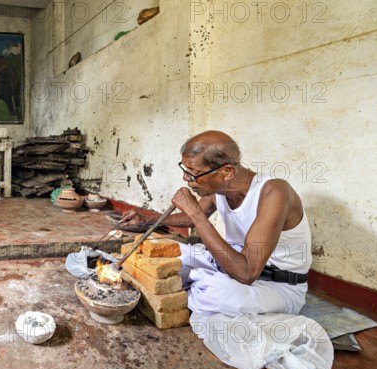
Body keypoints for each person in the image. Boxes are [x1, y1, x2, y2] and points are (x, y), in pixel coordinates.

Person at [121, 131, 312, 317]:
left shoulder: (274, 192)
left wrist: (195, 211)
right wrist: (146, 221)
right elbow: (189, 218)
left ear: (227, 172)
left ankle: (196, 286)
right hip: (227, 265)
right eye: (185, 169)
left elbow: (246, 273)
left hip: (276, 285)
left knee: (215, 294)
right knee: (168, 253)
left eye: (194, 173)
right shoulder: (218, 187)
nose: (186, 178)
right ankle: (197, 282)